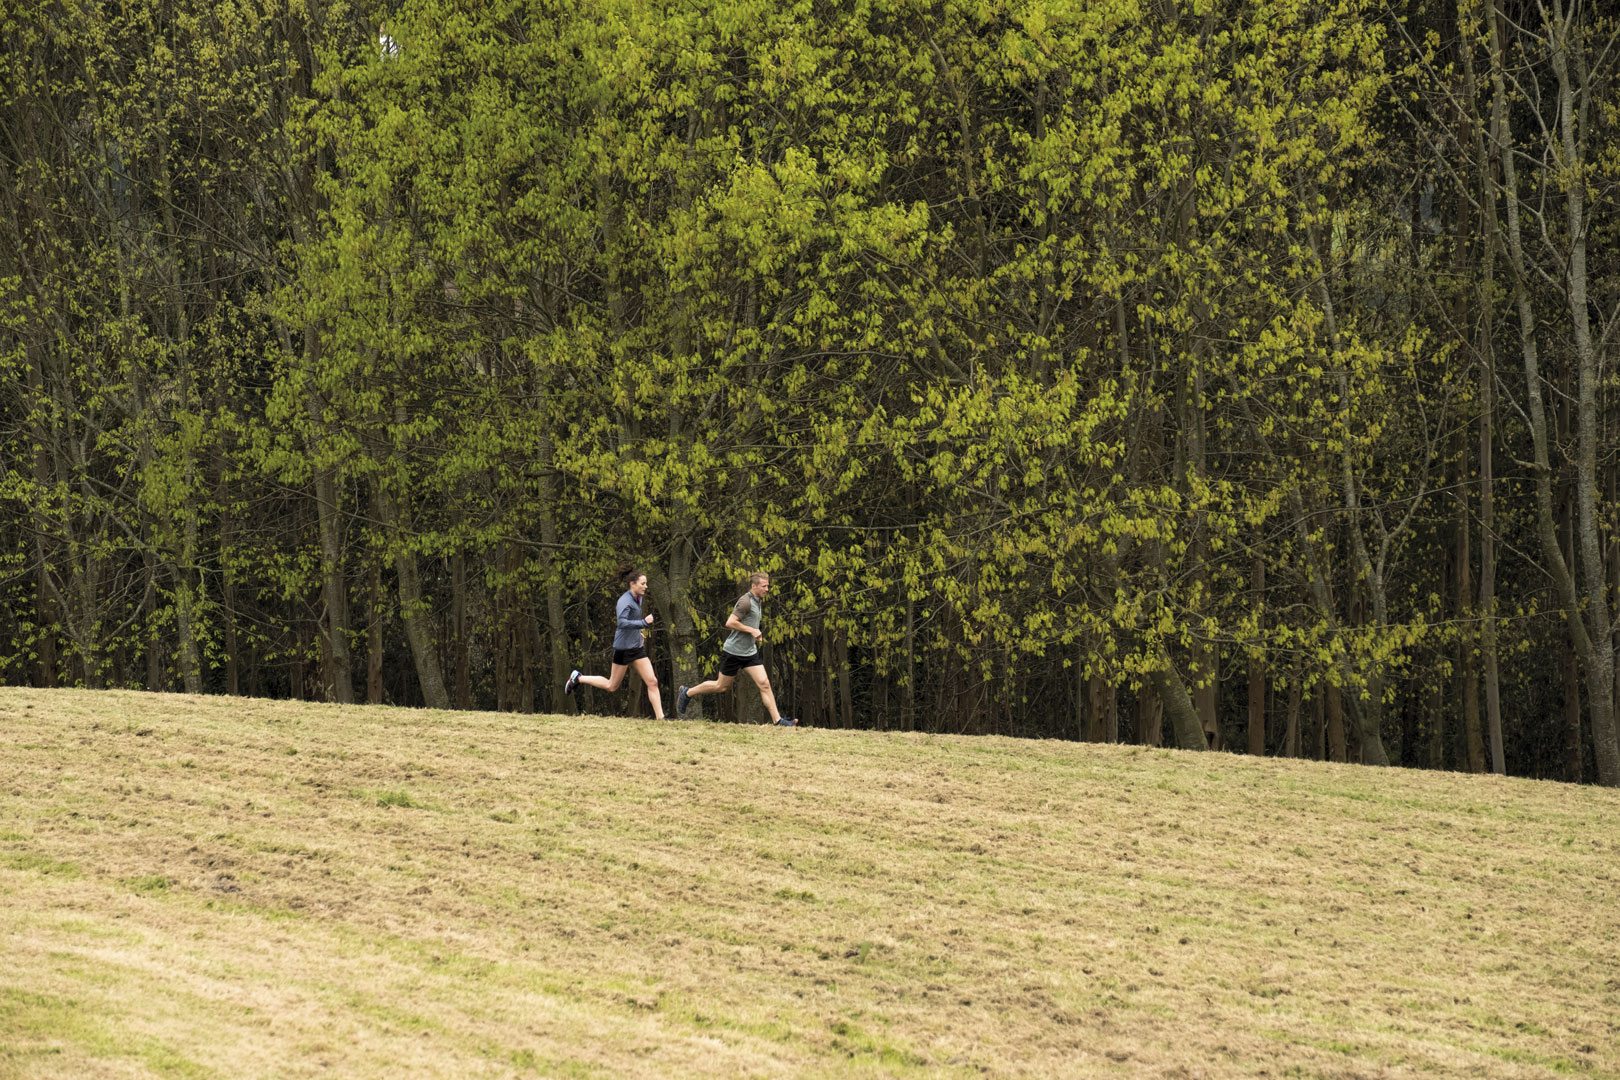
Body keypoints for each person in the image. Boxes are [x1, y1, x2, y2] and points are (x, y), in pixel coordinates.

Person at [676, 572, 796, 726]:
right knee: (721, 686)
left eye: (768, 586)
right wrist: (752, 631)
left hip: (749, 652)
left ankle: (777, 721)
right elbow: (730, 622)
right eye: (764, 586)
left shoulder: (758, 600)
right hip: (733, 652)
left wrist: (754, 635)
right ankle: (687, 692)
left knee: (764, 683)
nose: (768, 589)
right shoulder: (745, 602)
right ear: (754, 586)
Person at [564, 568, 665, 719]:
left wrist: (640, 634)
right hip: (623, 649)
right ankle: (578, 678)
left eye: (646, 583)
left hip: (636, 648)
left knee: (652, 681)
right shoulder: (624, 601)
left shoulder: (639, 597)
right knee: (611, 686)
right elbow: (622, 623)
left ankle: (661, 718)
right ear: (633, 584)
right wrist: (643, 623)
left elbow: (633, 621)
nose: (646, 586)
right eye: (643, 583)